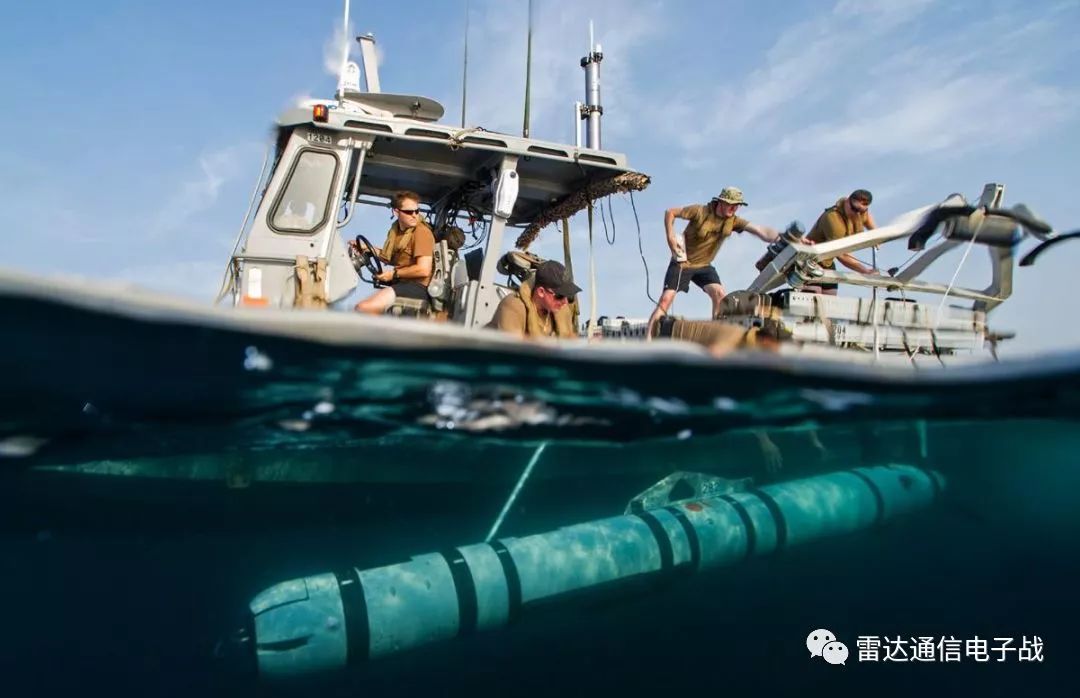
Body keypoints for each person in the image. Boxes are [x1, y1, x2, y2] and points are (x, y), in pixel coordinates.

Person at [647, 187, 779, 338]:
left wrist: (782, 237)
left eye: (737, 205)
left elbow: (761, 231)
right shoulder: (699, 211)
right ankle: (649, 339)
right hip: (683, 263)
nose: (734, 209)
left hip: (704, 266)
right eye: (731, 204)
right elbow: (670, 212)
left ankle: (714, 335)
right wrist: (670, 236)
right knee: (666, 300)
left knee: (720, 295)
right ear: (721, 202)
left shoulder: (733, 221)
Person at [351, 191, 435, 314]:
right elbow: (389, 258)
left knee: (364, 308)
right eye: (409, 212)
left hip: (418, 287)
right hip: (402, 284)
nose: (414, 215)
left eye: (417, 211)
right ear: (396, 212)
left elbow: (423, 269)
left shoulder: (421, 232)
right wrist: (367, 248)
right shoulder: (397, 232)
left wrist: (393, 274)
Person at [804, 189, 878, 295]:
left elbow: (867, 217)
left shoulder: (859, 211)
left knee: (830, 298)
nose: (857, 214)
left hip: (827, 261)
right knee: (814, 295)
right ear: (847, 202)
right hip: (810, 259)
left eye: (861, 211)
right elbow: (842, 255)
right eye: (854, 209)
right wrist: (865, 271)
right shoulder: (834, 219)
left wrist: (875, 234)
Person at [488, 260, 581, 339]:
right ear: (541, 292)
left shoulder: (560, 311)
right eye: (560, 296)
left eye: (568, 296)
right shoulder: (514, 306)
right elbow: (511, 350)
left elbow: (570, 344)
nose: (565, 302)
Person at [652, 315, 791, 358]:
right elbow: (714, 353)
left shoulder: (740, 333)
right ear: (766, 341)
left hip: (668, 329)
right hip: (662, 335)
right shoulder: (736, 338)